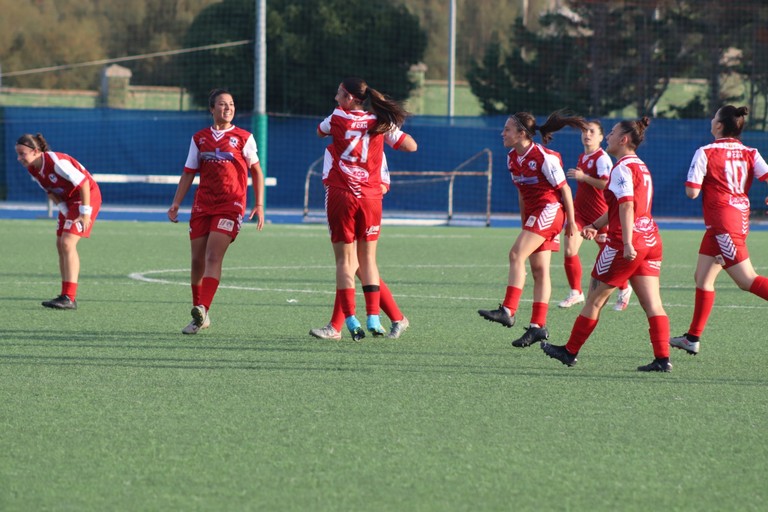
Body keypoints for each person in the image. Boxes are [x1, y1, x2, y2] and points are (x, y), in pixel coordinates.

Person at [541, 117, 672, 372]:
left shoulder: (621, 167)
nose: (609, 136)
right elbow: (616, 207)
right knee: (653, 303)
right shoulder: (641, 166)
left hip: (628, 241)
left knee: (594, 299)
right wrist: (594, 224)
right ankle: (662, 359)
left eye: (612, 132)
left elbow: (625, 206)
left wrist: (625, 243)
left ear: (623, 139)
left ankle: (569, 351)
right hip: (651, 238)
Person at [317, 77, 417, 341]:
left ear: (350, 98)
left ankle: (340, 325)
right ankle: (387, 317)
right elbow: (410, 146)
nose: (335, 97)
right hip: (369, 199)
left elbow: (321, 131)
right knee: (361, 264)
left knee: (348, 264)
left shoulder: (338, 120)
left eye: (339, 93)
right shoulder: (379, 126)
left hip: (348, 198)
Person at [478, 110, 587, 348]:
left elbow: (565, 190)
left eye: (507, 129)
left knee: (516, 254)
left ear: (522, 134)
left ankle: (508, 310)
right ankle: (538, 326)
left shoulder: (544, 157)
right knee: (539, 270)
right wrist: (524, 220)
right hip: (535, 214)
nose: (502, 133)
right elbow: (522, 193)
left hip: (550, 211)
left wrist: (570, 221)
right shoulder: (511, 158)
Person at [670, 105, 768, 356]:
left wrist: (702, 181)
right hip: (734, 221)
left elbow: (692, 193)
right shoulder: (750, 152)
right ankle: (692, 338)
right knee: (702, 278)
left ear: (719, 126)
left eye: (714, 118)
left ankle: (692, 338)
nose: (711, 121)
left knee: (747, 280)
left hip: (723, 224)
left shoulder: (706, 152)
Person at [168, 88, 265, 334]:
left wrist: (259, 204)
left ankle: (203, 306)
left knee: (213, 256)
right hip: (202, 205)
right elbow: (189, 171)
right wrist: (176, 203)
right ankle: (199, 315)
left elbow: (256, 172)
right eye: (222, 104)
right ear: (212, 109)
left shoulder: (244, 137)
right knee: (197, 260)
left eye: (231, 104)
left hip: (230, 205)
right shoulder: (199, 138)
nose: (228, 108)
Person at [15, 133, 102, 310]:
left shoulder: (56, 162)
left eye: (23, 153)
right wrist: (64, 211)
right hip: (68, 201)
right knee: (60, 244)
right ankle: (65, 295)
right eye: (18, 154)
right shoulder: (32, 168)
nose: (19, 158)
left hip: (86, 197)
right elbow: (50, 191)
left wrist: (85, 214)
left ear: (36, 151)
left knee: (68, 243)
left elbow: (84, 183)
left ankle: (69, 298)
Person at [559, 120, 634, 311]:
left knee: (607, 259)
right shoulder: (583, 157)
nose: (587, 134)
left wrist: (583, 177)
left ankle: (624, 289)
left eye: (592, 131)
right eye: (584, 131)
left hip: (601, 215)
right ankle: (576, 292)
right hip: (580, 213)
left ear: (601, 137)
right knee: (569, 249)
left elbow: (605, 184)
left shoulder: (602, 158)